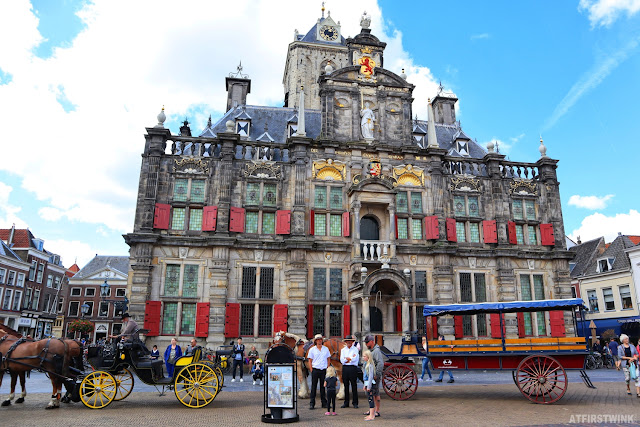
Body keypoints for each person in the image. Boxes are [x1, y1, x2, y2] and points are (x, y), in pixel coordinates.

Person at [307, 334, 331, 410]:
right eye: (318, 340)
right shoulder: (312, 350)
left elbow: (328, 358)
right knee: (313, 387)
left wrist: (327, 367)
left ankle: (324, 402)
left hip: (323, 369)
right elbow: (310, 360)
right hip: (315, 369)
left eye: (320, 339)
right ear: (316, 341)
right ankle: (312, 403)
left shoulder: (326, 349)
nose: (319, 341)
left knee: (323, 387)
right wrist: (311, 369)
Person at [364, 335, 383, 418]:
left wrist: (377, 374)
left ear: (372, 341)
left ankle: (377, 410)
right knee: (372, 393)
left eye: (367, 342)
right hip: (371, 375)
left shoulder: (376, 351)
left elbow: (380, 363)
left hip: (374, 376)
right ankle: (372, 409)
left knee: (375, 393)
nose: (366, 344)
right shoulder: (372, 350)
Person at [340, 334, 359, 408]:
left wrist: (348, 359)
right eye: (348, 342)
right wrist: (349, 359)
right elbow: (342, 360)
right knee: (346, 385)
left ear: (352, 342)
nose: (349, 343)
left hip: (353, 368)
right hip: (345, 368)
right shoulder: (343, 350)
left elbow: (355, 359)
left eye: (350, 342)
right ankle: (346, 402)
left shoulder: (355, 349)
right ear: (346, 342)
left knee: (354, 385)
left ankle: (355, 402)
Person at [362, 350, 376, 421]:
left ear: (368, 357)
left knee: (371, 400)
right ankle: (371, 414)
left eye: (364, 356)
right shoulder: (366, 364)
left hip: (370, 384)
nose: (363, 357)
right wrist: (365, 385)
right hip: (367, 384)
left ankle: (372, 415)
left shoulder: (370, 365)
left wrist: (369, 386)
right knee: (369, 399)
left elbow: (370, 377)